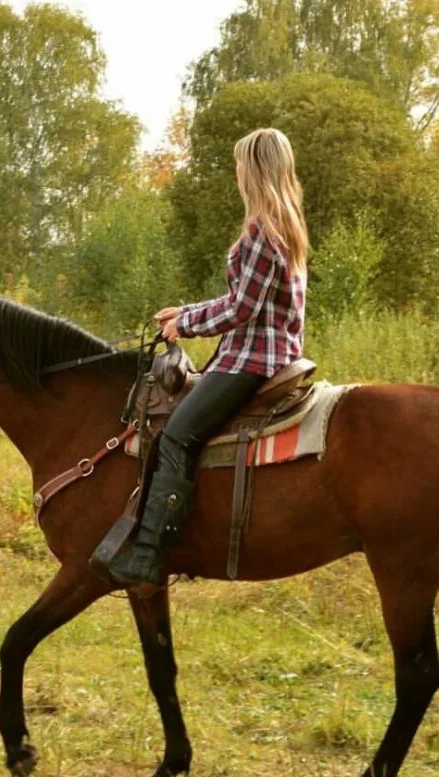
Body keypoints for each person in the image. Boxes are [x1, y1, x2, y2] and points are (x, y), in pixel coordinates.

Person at [95, 127, 309, 587]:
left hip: (251, 360)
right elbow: (243, 298)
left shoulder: (259, 232)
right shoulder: (287, 226)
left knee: (176, 435)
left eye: (238, 165)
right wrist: (187, 311)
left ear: (252, 171)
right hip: (275, 353)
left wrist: (186, 327)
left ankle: (149, 553)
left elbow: (241, 309)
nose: (235, 173)